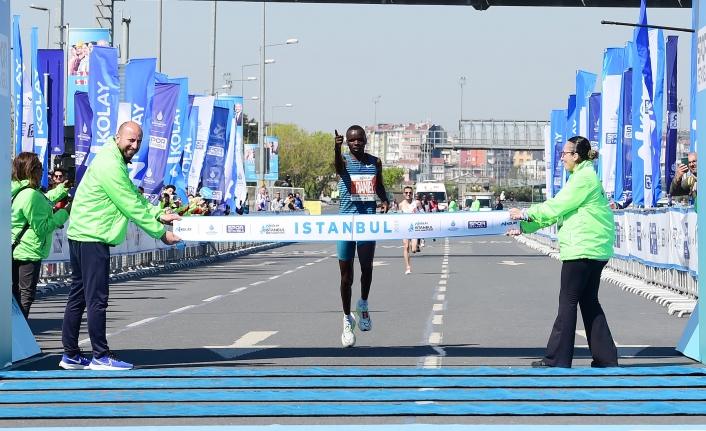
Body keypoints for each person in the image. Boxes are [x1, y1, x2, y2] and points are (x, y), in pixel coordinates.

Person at [60, 121, 181, 371]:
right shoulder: (111, 165)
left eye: (138, 141)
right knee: (96, 299)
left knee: (79, 296)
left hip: (83, 233)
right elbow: (129, 203)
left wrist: (159, 214)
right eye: (130, 140)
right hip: (93, 235)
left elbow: (133, 196)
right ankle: (101, 356)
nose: (134, 146)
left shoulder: (111, 158)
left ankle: (70, 354)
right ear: (118, 137)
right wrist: (161, 233)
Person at [506, 136, 617, 369]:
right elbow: (559, 213)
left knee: (567, 303)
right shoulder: (584, 176)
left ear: (576, 156)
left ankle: (558, 359)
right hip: (595, 248)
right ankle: (606, 358)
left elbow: (557, 206)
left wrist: (525, 214)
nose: (562, 158)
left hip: (582, 248)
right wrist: (524, 227)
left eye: (564, 154)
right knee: (589, 302)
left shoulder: (582, 179)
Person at [334, 125, 389, 348]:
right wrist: (336, 150)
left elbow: (380, 186)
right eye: (352, 140)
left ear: (366, 141)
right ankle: (347, 319)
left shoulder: (375, 162)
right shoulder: (344, 161)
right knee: (346, 277)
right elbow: (337, 166)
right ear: (347, 143)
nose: (356, 143)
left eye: (360, 140)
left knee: (367, 267)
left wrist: (384, 200)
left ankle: (363, 304)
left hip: (367, 221)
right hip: (346, 223)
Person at [11, 153, 71, 319]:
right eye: (39, 167)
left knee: (16, 295)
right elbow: (43, 227)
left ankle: (15, 336)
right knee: (25, 296)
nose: (43, 171)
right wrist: (65, 212)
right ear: (31, 170)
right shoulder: (31, 195)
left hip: (15, 248)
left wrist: (62, 189)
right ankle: (20, 338)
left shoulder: (18, 189)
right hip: (28, 251)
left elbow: (44, 200)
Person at [399, 186, 422, 274]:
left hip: (414, 228)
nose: (408, 194)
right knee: (406, 247)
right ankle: (408, 267)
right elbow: (398, 217)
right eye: (406, 193)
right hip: (405, 228)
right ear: (404, 194)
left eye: (410, 193)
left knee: (414, 250)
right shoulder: (401, 205)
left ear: (412, 194)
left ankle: (415, 244)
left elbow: (423, 214)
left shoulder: (417, 203)